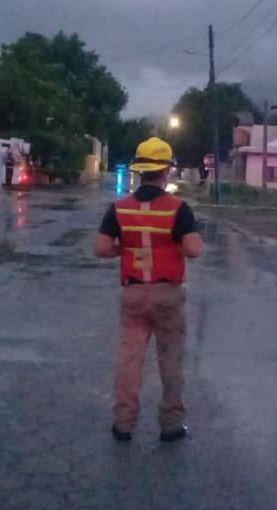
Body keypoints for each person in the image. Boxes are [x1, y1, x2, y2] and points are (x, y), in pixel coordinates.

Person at [94, 137, 203, 443]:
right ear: (166, 170)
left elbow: (100, 247)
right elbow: (193, 250)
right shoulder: (178, 208)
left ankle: (124, 424)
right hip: (167, 295)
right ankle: (170, 425)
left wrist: (124, 250)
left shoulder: (119, 208)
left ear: (141, 170)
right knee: (170, 361)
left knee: (129, 360)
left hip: (133, 294)